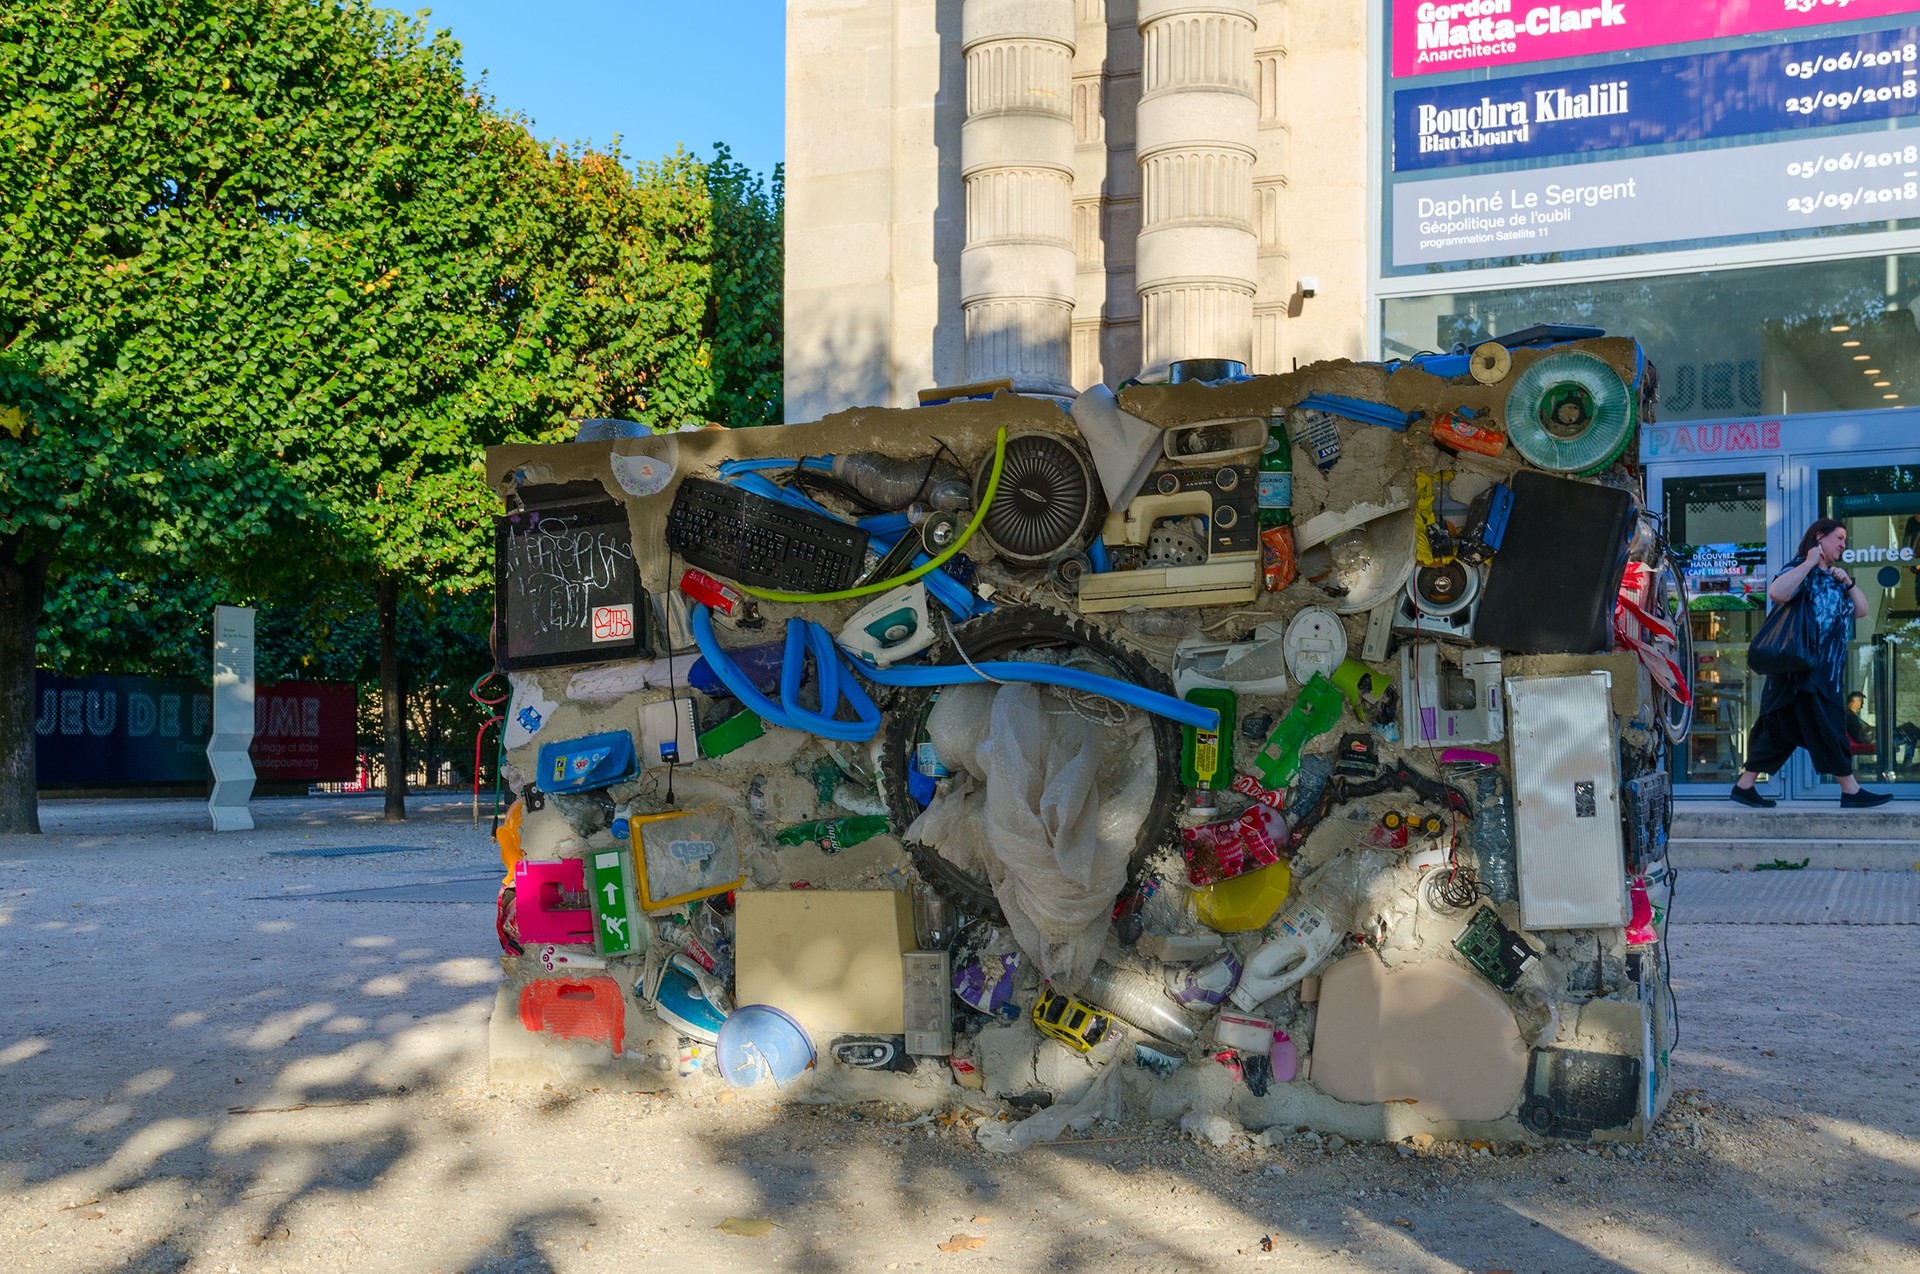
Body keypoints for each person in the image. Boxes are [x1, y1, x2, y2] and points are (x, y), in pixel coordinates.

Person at [1731, 519, 1893, 808]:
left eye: (1845, 540)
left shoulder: (1833, 577)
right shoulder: (1799, 568)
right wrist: (1808, 563)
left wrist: (1848, 581)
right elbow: (1777, 593)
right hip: (1804, 670)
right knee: (1828, 726)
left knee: (1778, 729)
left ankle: (1744, 785)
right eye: (1839, 538)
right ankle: (1850, 789)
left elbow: (1862, 610)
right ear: (1820, 537)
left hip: (1825, 670)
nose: (1844, 544)